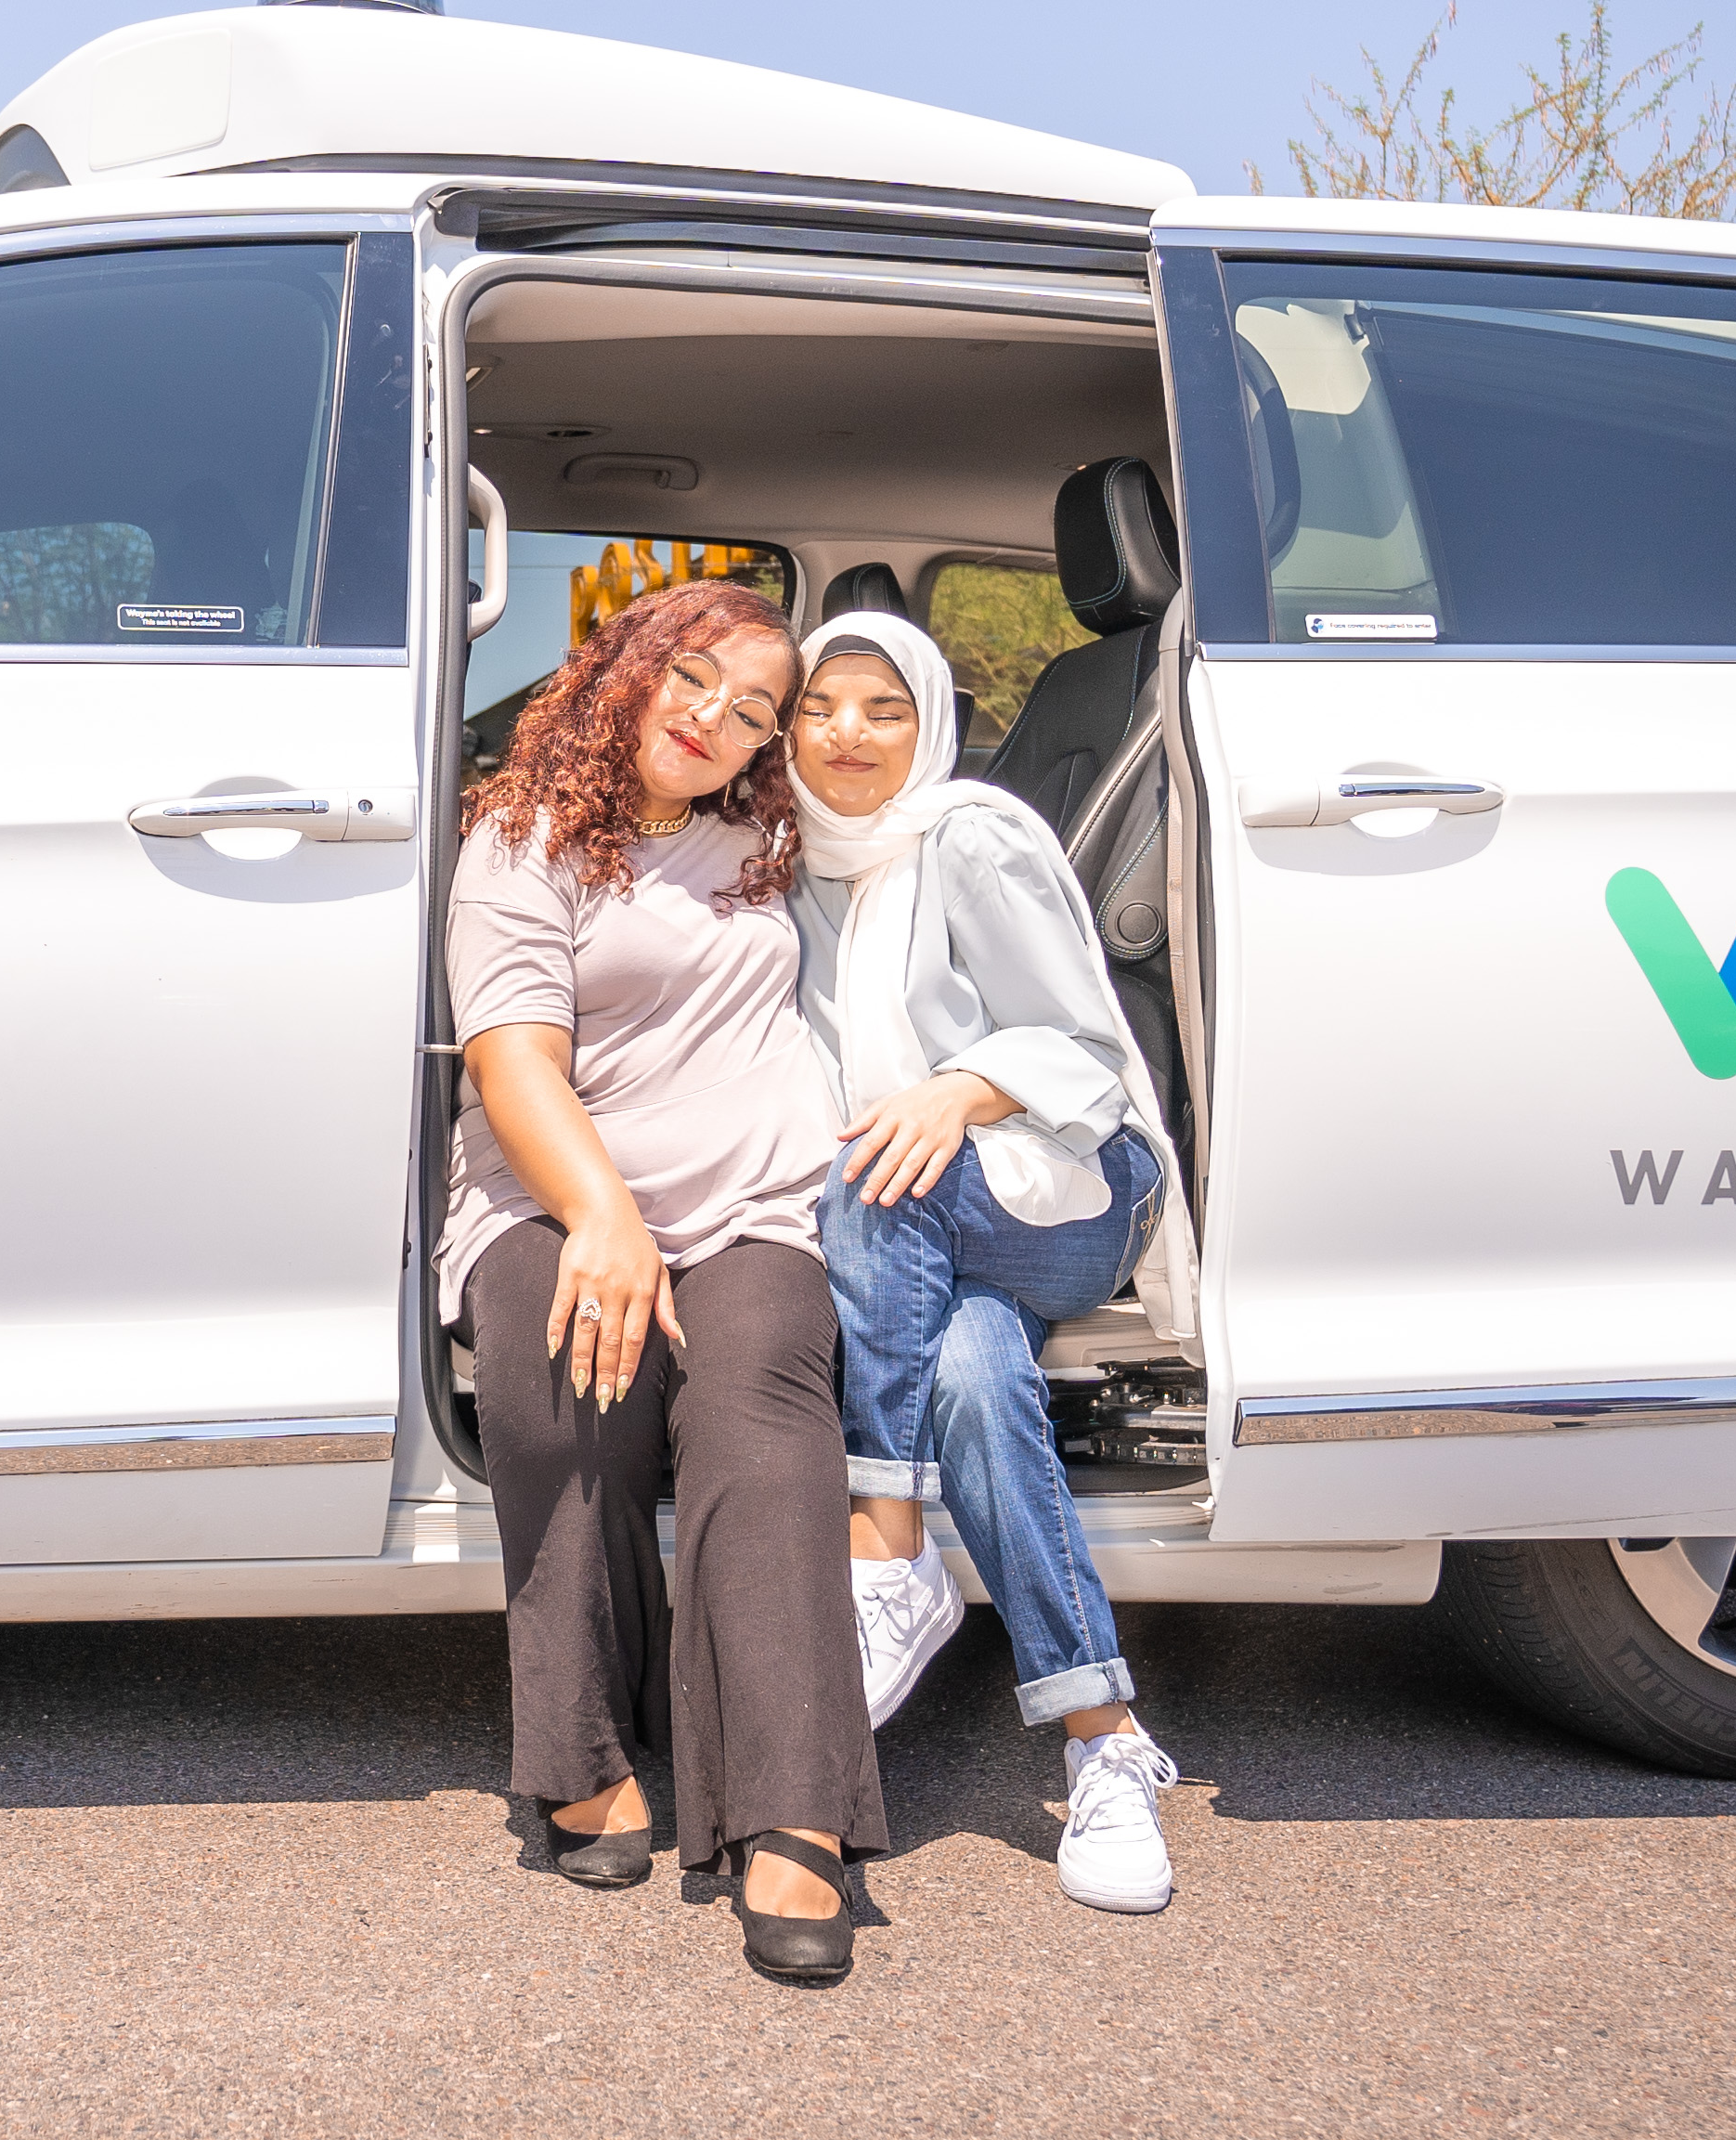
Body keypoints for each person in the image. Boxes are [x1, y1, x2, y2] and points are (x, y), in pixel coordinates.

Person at [441, 575, 887, 1983]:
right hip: (550, 1195)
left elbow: (906, 800)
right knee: (562, 1381)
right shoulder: (520, 841)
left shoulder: (768, 835)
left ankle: (791, 1812)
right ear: (630, 667)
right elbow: (512, 1060)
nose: (716, 719)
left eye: (754, 708)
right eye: (695, 677)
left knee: (764, 1421)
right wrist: (601, 1218)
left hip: (750, 1206)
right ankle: (575, 1749)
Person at [781, 607, 1192, 1914]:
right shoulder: (784, 863)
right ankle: (1103, 1738)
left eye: (883, 709)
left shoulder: (972, 836)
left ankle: (886, 1543)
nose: (848, 737)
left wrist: (957, 1095)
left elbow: (1079, 1046)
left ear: (928, 723)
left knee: (878, 1157)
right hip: (923, 1229)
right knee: (968, 1366)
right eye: (818, 709)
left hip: (1068, 1182)